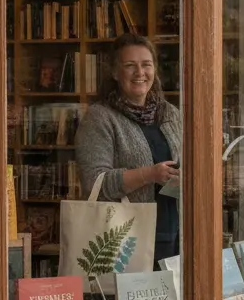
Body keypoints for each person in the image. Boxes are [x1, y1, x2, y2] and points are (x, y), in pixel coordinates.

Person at [75, 33, 182, 268]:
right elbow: (94, 183)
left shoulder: (170, 113)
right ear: (115, 72)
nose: (140, 73)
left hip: (177, 234)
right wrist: (150, 174)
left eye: (146, 64)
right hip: (124, 241)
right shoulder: (100, 118)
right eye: (130, 65)